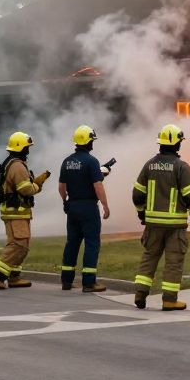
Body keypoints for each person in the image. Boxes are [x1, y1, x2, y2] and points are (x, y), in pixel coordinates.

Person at [131, 124, 190, 311]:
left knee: (149, 257)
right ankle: (169, 300)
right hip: (175, 226)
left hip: (153, 224)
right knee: (174, 261)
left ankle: (140, 294)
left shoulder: (149, 165)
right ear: (177, 144)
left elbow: (137, 195)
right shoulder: (181, 167)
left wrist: (142, 213)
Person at [0, 131, 50, 289]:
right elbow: (25, 190)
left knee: (21, 244)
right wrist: (38, 184)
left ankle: (14, 277)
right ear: (20, 148)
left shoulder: (13, 163)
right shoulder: (17, 166)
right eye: (27, 148)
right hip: (16, 212)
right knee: (19, 245)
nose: (28, 151)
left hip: (17, 211)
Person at [58, 125, 111, 293]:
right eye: (92, 140)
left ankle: (66, 281)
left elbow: (61, 187)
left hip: (72, 206)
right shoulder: (92, 161)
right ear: (88, 142)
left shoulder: (67, 161)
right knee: (92, 244)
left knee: (72, 243)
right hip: (88, 207)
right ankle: (89, 283)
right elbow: (98, 186)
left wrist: (65, 201)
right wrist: (105, 205)